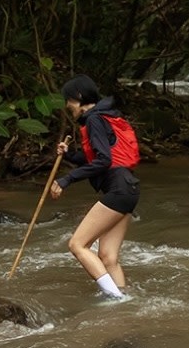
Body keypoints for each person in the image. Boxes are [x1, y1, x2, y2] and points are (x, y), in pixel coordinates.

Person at [47, 74, 140, 300]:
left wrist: (66, 180)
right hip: (129, 189)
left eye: (69, 100)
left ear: (79, 97)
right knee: (108, 257)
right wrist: (70, 155)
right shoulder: (105, 115)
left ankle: (115, 298)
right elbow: (98, 159)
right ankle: (124, 300)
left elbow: (104, 161)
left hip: (118, 190)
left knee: (77, 245)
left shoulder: (94, 120)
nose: (68, 105)